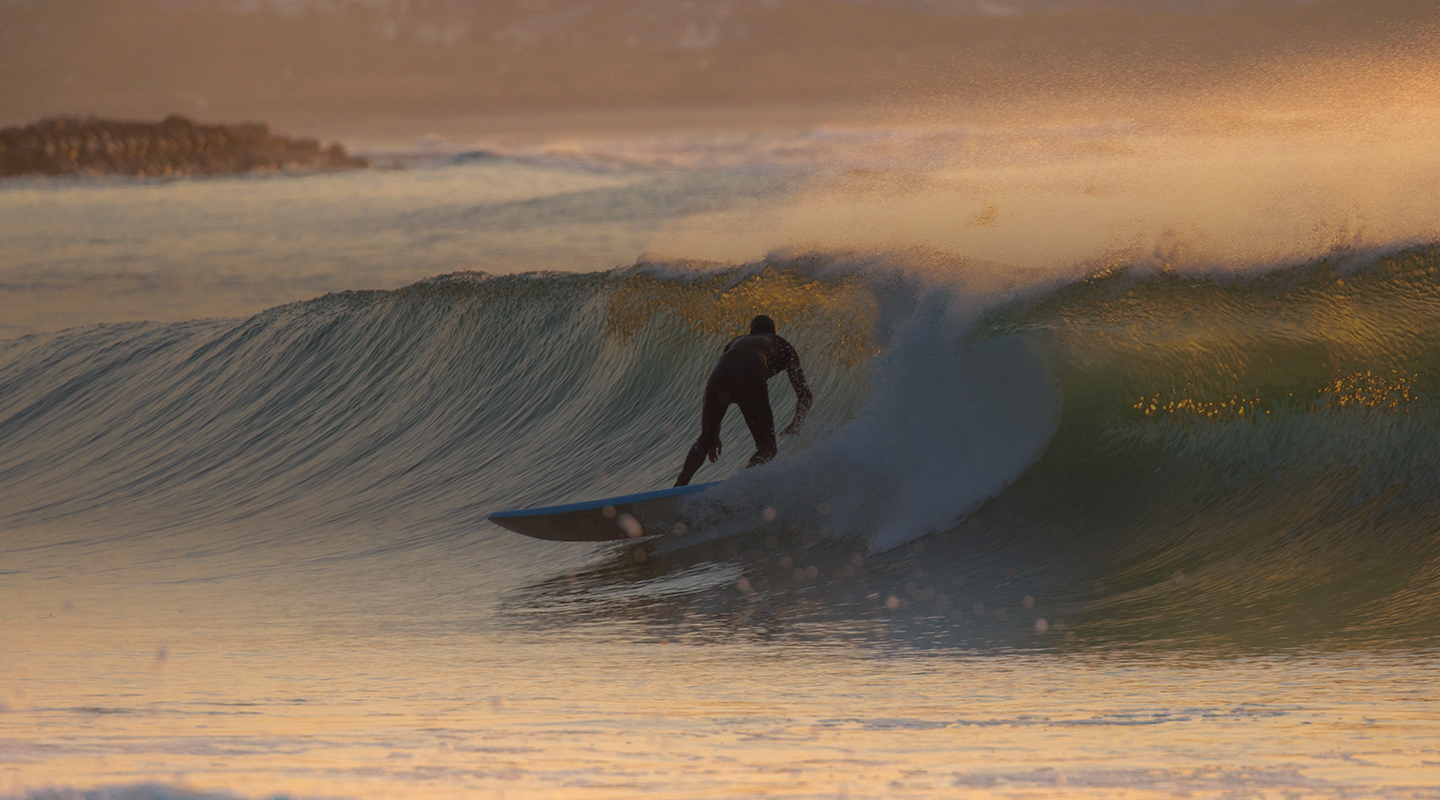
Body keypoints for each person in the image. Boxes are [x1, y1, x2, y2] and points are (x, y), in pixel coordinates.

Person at [674, 314, 813, 486]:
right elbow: (805, 395)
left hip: (716, 380)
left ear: (751, 331)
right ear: (773, 331)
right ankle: (742, 486)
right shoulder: (782, 344)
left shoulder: (736, 341)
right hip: (750, 377)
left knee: (704, 441)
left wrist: (713, 433)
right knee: (767, 448)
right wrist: (796, 424)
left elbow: (727, 373)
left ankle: (678, 486)